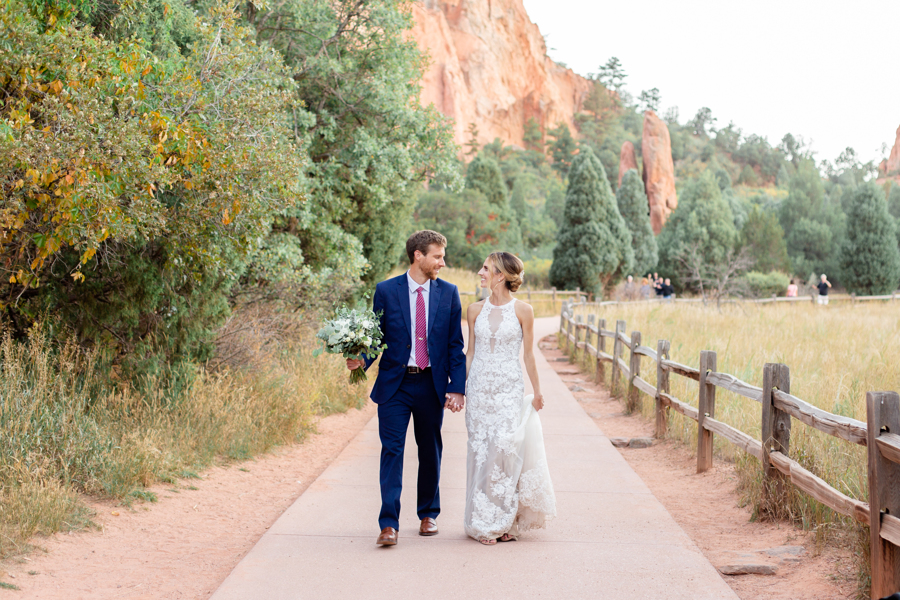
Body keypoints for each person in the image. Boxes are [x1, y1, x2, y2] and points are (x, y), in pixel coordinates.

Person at [346, 230, 467, 547]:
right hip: (395, 385)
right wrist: (360, 359)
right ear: (418, 255)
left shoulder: (449, 293)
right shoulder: (386, 290)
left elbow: (456, 346)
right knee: (392, 451)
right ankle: (389, 524)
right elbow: (376, 337)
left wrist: (457, 387)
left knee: (430, 451)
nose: (443, 262)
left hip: (431, 384)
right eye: (437, 256)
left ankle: (429, 514)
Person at [464, 252, 556, 545]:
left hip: (508, 390)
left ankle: (504, 520)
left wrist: (537, 391)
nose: (480, 272)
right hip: (479, 391)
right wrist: (461, 389)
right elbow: (471, 353)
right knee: (481, 453)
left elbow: (528, 354)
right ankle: (481, 519)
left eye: (485, 268)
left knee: (504, 453)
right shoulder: (474, 310)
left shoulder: (523, 310)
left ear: (500, 275)